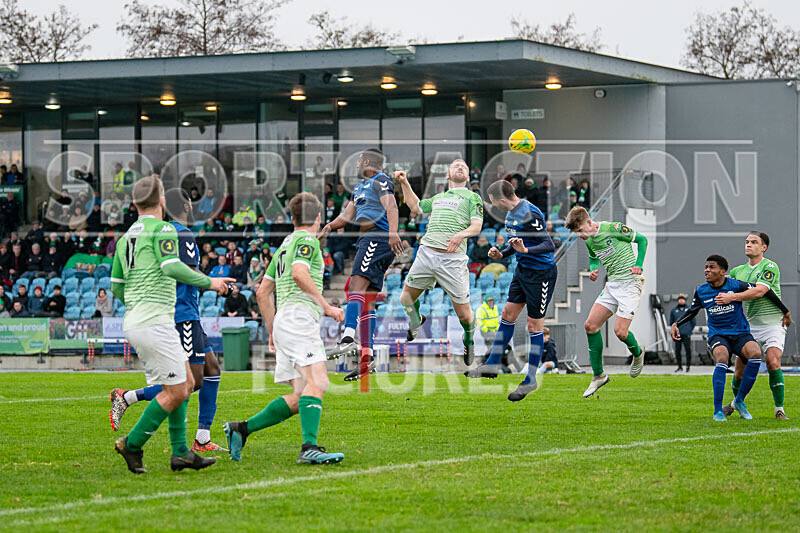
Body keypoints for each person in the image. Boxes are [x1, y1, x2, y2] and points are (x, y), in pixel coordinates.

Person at [108, 175, 234, 474]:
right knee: (177, 390)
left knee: (187, 383)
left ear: (135, 203)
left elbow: (115, 286)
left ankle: (181, 453)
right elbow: (172, 266)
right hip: (157, 321)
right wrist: (212, 282)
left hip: (138, 319)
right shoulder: (164, 229)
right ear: (162, 200)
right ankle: (132, 444)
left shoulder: (125, 238)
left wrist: (138, 301)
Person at [224, 192, 345, 465]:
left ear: (291, 219)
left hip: (283, 322)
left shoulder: (285, 245)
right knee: (319, 382)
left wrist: (271, 331)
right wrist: (326, 306)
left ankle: (241, 429)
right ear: (317, 217)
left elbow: (263, 292)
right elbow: (299, 274)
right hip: (299, 319)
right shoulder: (306, 241)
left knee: (301, 394)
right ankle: (309, 447)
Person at [465, 179, 558, 403]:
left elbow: (548, 245)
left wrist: (526, 249)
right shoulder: (509, 215)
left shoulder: (530, 213)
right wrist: (502, 253)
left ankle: (530, 380)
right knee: (507, 314)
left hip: (541, 274)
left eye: (493, 201)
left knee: (534, 325)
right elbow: (514, 244)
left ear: (502, 199)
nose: (493, 205)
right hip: (523, 271)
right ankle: (492, 364)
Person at [671, 255, 790, 421]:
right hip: (718, 334)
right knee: (722, 358)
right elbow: (693, 310)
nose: (707, 270)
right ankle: (718, 411)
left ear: (722, 271)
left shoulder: (736, 285)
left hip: (740, 333)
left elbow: (765, 291)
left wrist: (785, 311)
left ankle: (739, 401)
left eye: (711, 267)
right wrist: (677, 323)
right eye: (706, 267)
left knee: (755, 354)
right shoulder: (701, 290)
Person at [320, 148, 402, 381]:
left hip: (377, 237)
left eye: (358, 161)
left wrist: (393, 233)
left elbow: (392, 206)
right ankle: (367, 357)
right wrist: (329, 226)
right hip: (370, 239)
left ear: (367, 162)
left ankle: (347, 339)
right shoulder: (359, 188)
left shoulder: (380, 180)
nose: (355, 165)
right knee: (366, 300)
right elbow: (347, 215)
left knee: (355, 286)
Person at [395, 159, 483, 364]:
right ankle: (416, 321)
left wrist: (461, 235)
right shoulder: (439, 197)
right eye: (455, 166)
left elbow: (476, 226)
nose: (460, 167)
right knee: (405, 299)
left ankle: (468, 339)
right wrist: (404, 182)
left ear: (468, 177)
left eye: (464, 167)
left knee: (465, 315)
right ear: (448, 175)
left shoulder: (472, 197)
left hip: (453, 260)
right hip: (427, 254)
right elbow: (415, 207)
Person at [565, 206, 648, 398]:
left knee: (620, 332)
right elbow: (594, 258)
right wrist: (594, 269)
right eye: (576, 233)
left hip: (630, 283)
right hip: (612, 285)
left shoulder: (613, 228)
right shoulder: (589, 240)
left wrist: (639, 264)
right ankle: (598, 375)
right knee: (590, 326)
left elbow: (642, 240)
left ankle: (637, 352)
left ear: (589, 222)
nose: (579, 235)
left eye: (579, 231)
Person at [724, 231, 791, 419]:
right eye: (746, 241)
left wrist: (732, 296)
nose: (748, 244)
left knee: (772, 361)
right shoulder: (738, 271)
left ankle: (779, 409)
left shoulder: (770, 266)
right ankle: (737, 402)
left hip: (772, 325)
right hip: (750, 326)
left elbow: (760, 291)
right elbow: (723, 284)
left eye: (754, 242)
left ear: (763, 247)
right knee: (739, 371)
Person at [669, 294, 694, 372]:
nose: (681, 301)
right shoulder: (674, 310)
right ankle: (679, 366)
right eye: (680, 299)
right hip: (677, 334)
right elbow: (671, 322)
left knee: (688, 351)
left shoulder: (689, 309)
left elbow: (693, 322)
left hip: (686, 334)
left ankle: (688, 366)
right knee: (677, 351)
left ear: (685, 300)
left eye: (682, 299)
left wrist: (689, 330)